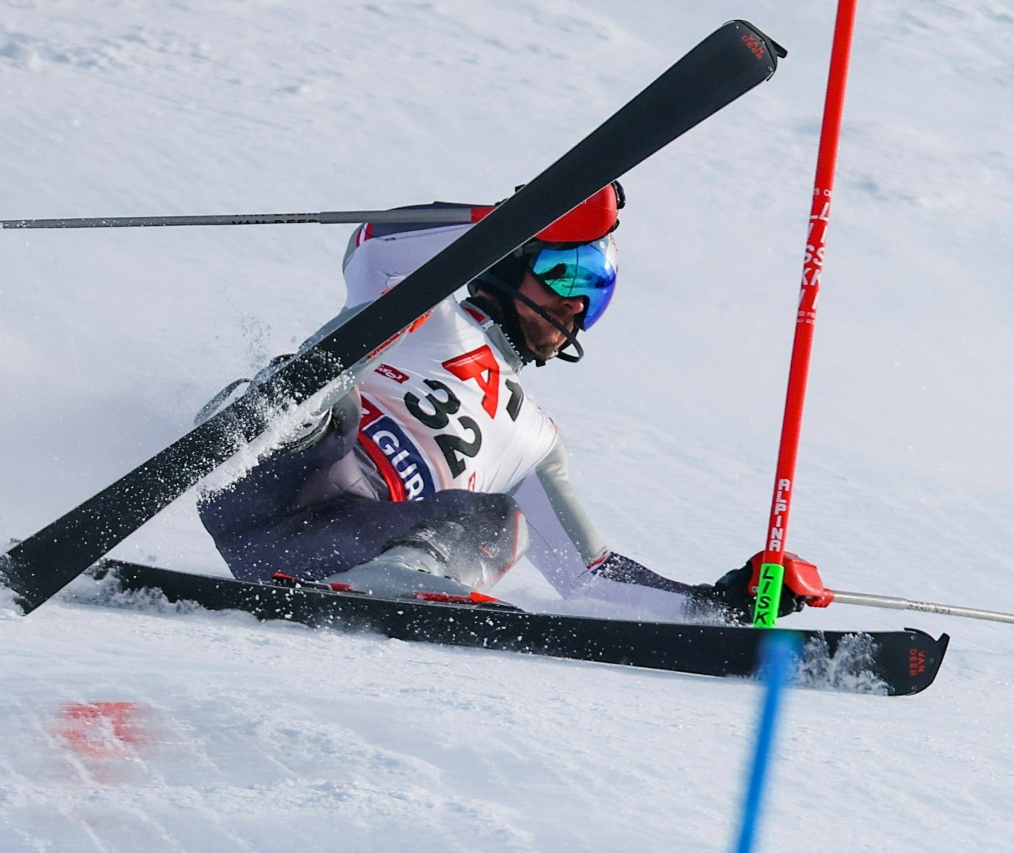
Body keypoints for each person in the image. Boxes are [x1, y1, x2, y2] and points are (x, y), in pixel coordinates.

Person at [196, 184, 821, 623]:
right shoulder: (427, 302)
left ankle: (403, 579)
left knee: (502, 519)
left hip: (337, 547)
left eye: (595, 293)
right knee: (329, 391)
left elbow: (588, 575)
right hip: (265, 476)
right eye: (568, 275)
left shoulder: (536, 440)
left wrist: (714, 604)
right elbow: (373, 241)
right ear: (512, 263)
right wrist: (515, 217)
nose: (577, 305)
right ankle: (247, 426)